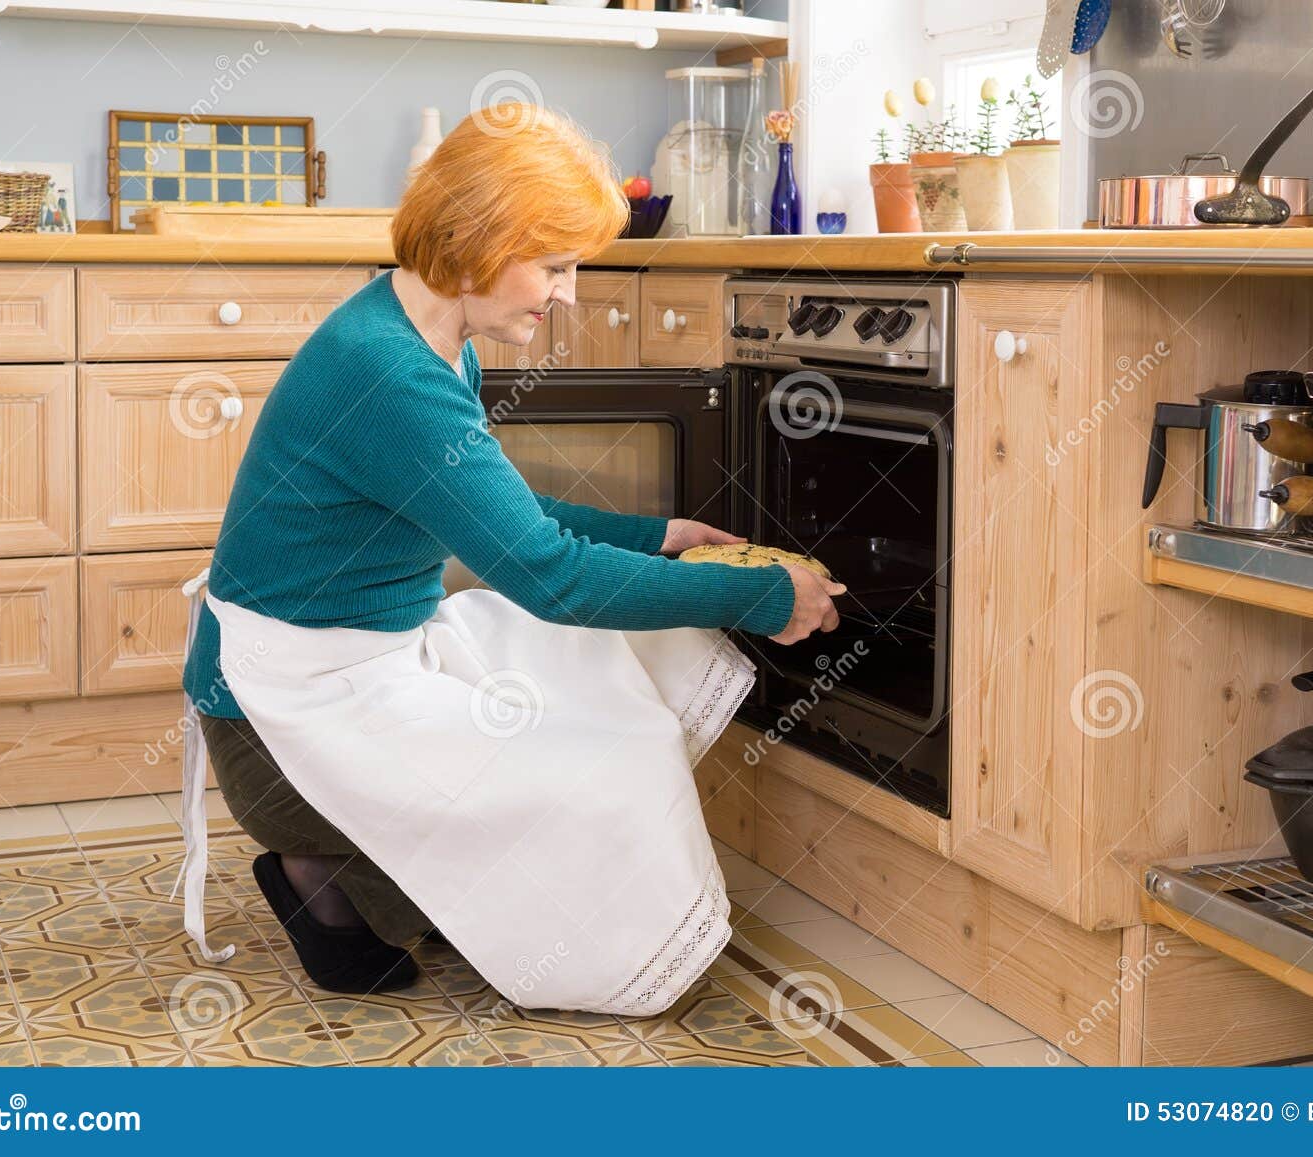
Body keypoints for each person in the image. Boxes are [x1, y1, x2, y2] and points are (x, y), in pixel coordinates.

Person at [174, 103, 844, 1012]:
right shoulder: (390, 372)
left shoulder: (423, 337)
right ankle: (320, 878)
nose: (567, 293)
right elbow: (549, 576)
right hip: (277, 723)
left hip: (357, 663)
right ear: (480, 242)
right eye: (556, 266)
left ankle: (359, 883)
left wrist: (663, 538)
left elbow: (501, 516)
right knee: (585, 776)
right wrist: (762, 596)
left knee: (591, 703)